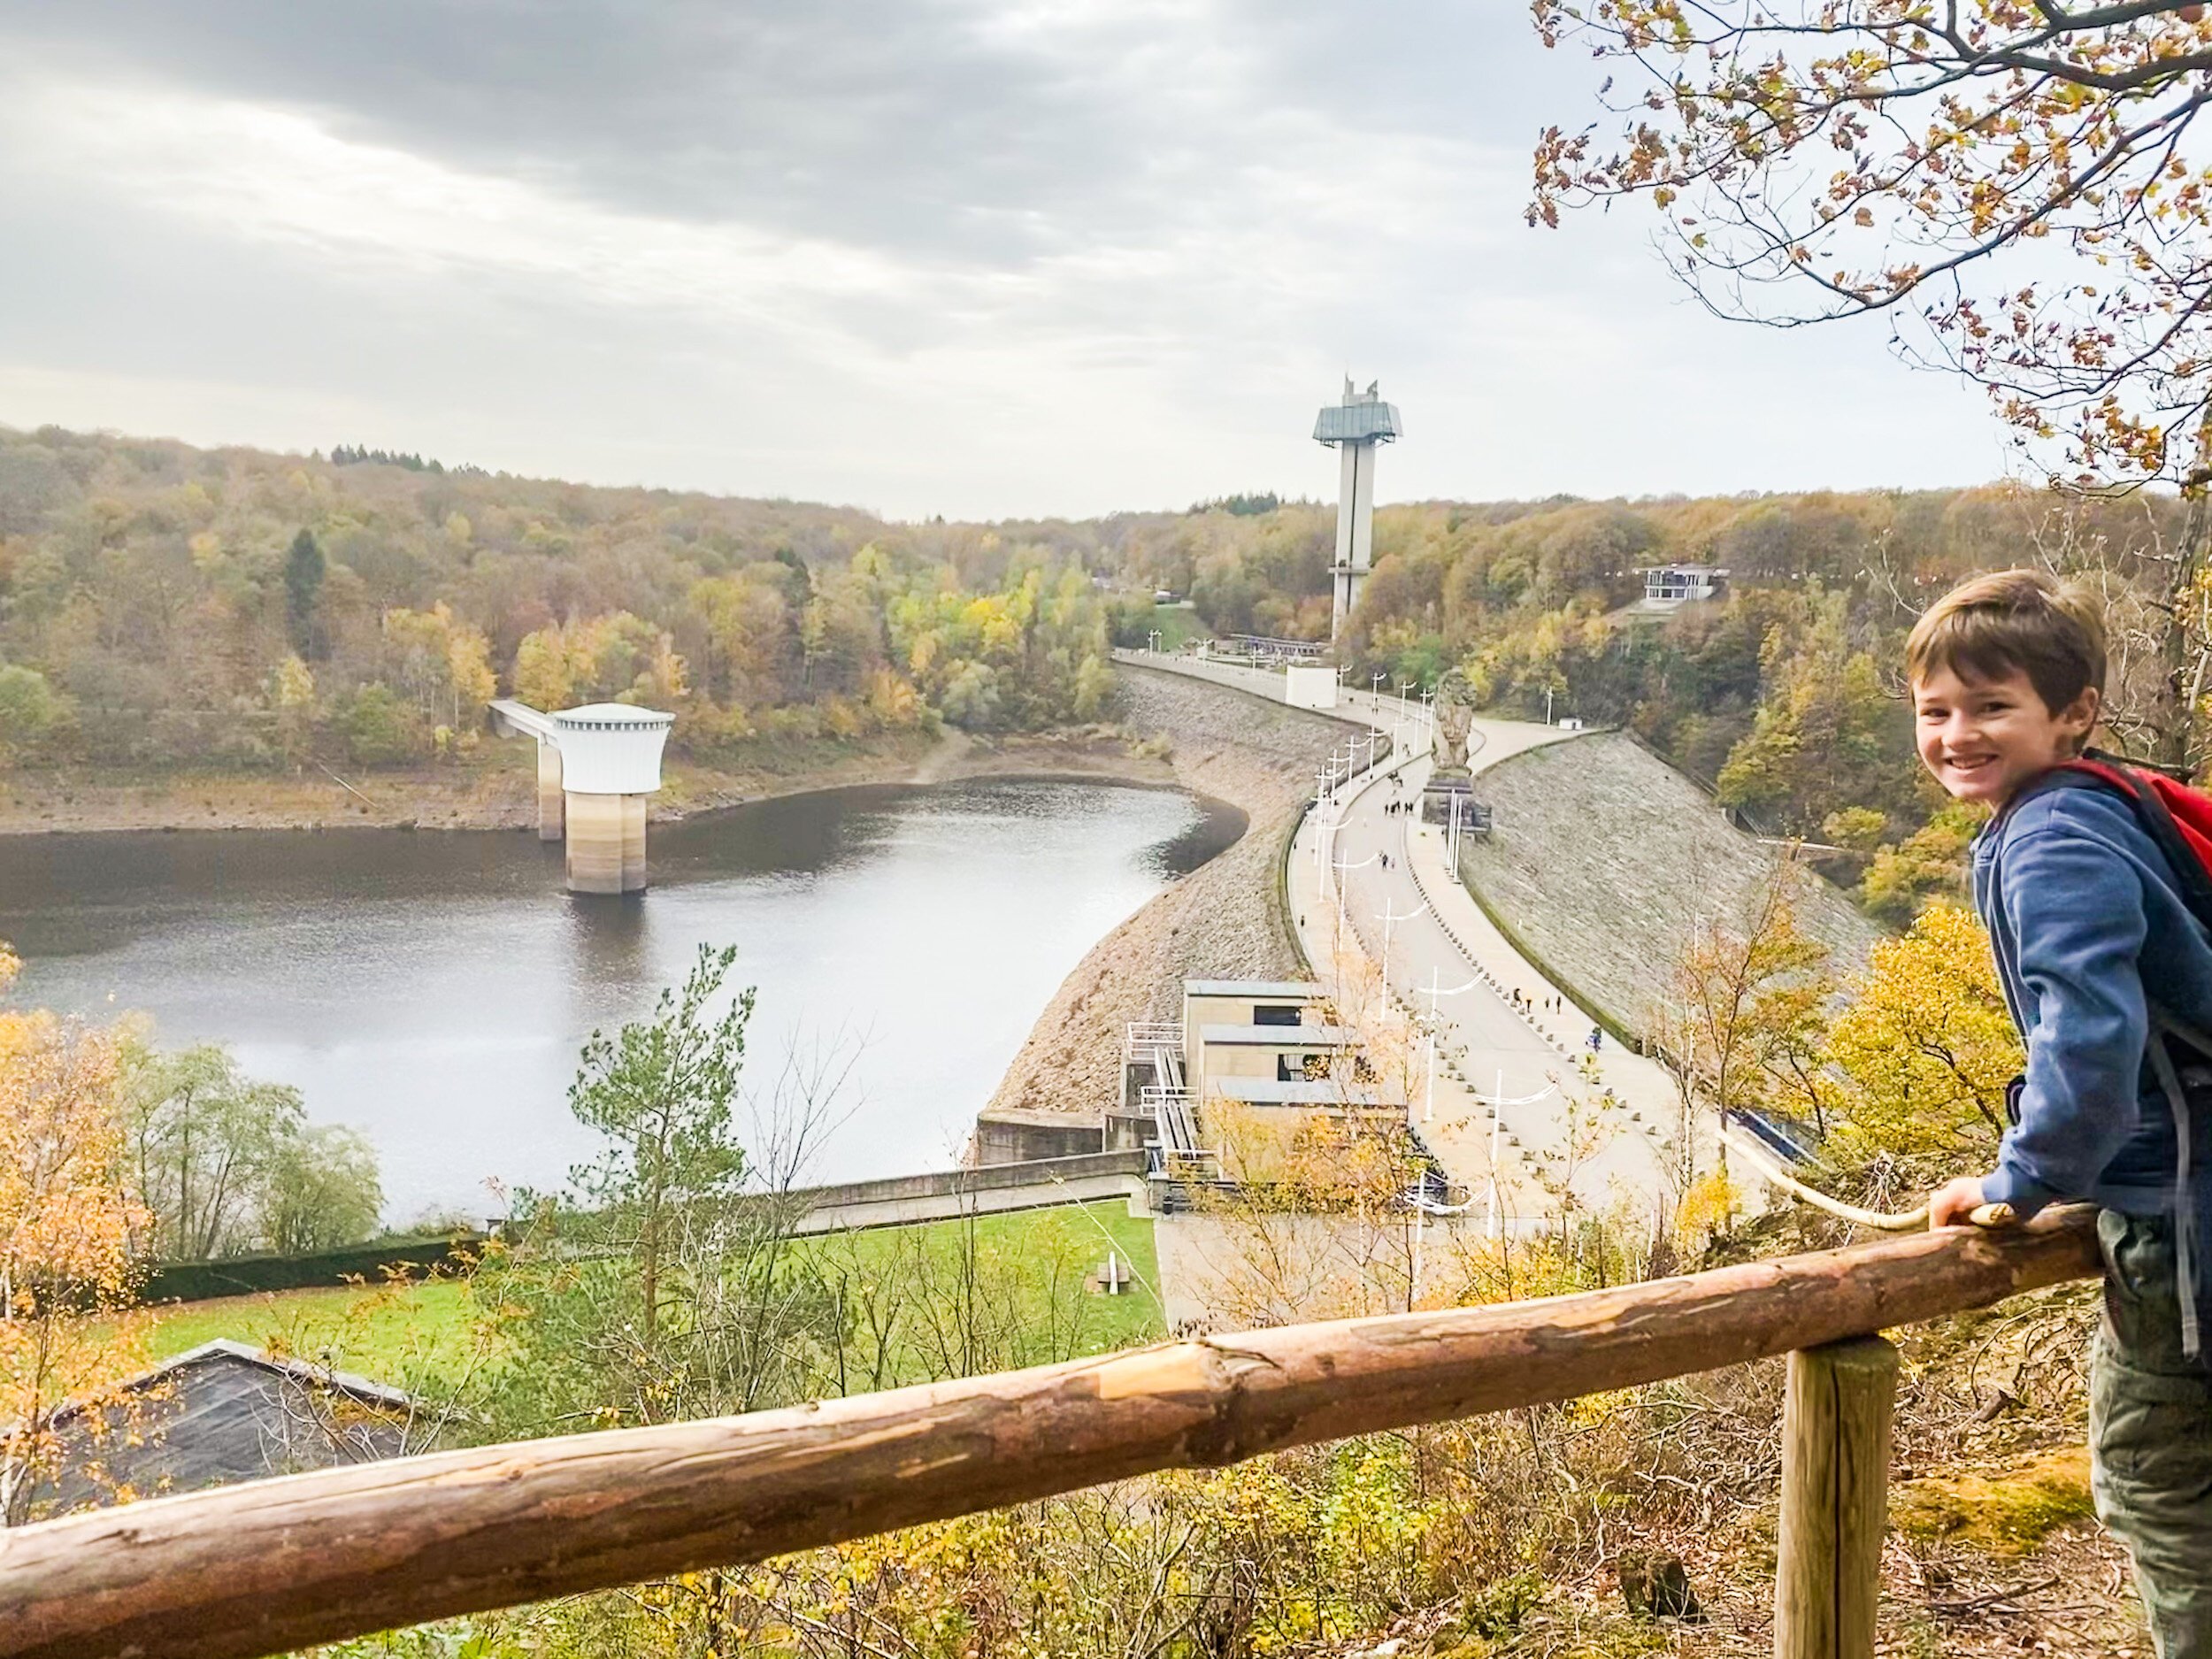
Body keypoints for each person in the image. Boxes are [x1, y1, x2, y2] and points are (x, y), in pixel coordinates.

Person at [1913, 569, 2212, 1655]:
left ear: (2074, 710)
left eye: (1991, 707)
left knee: (2156, 1480)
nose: (1957, 736)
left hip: (2183, 1207)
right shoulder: (2101, 800)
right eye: (1935, 712)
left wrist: (2020, 1178)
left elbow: (2090, 1033)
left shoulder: (2055, 842)